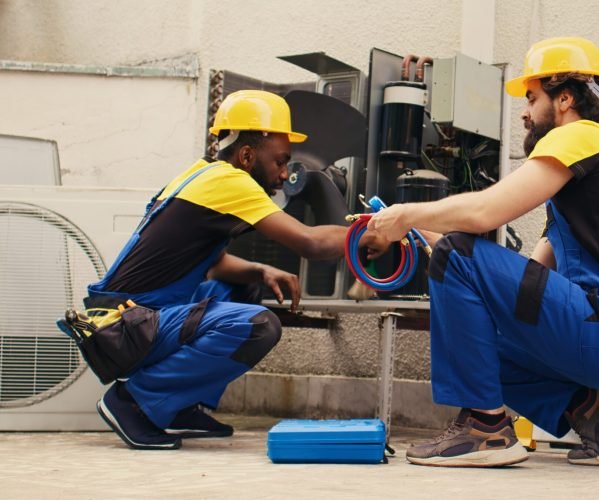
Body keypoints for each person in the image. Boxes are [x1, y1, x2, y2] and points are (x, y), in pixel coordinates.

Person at [368, 37, 599, 467]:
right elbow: (523, 286)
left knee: (459, 253)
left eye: (532, 98)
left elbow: (484, 212)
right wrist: (429, 240)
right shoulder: (585, 180)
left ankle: (485, 429)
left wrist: (405, 214)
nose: (525, 112)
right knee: (476, 330)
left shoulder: (582, 136)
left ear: (565, 98)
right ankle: (585, 408)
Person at [84, 90, 386, 450]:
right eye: (280, 161)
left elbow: (208, 264)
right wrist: (371, 232)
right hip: (127, 328)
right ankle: (134, 402)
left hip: (133, 316)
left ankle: (177, 405)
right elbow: (310, 243)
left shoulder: (202, 176)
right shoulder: (232, 182)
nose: (285, 174)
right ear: (246, 155)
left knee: (244, 288)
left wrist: (260, 271)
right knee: (259, 326)